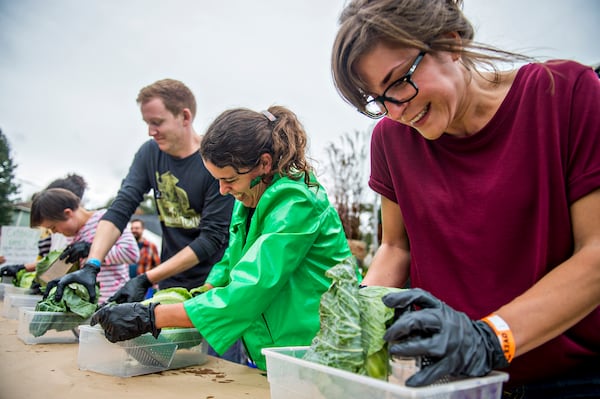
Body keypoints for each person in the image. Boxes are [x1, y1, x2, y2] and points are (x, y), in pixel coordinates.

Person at [331, 1, 599, 397]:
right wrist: (357, 318)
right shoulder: (390, 139)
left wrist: (490, 338)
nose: (396, 110)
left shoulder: (567, 95)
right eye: (377, 99)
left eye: (399, 80)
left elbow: (594, 252)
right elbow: (394, 246)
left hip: (568, 380)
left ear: (450, 43)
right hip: (451, 381)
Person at [90, 105, 353, 371]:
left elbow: (252, 287)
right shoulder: (250, 198)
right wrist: (204, 290)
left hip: (313, 352)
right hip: (273, 353)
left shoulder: (298, 203)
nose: (222, 190)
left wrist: (150, 316)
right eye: (217, 179)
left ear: (264, 163)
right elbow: (233, 260)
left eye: (229, 179)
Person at [45, 79, 233, 304]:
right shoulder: (150, 154)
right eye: (147, 123)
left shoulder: (213, 160)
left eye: (157, 122)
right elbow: (122, 206)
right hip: (170, 282)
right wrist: (93, 264)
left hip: (214, 285)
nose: (150, 131)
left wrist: (144, 279)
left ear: (185, 116)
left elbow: (211, 239)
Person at [30, 188, 139, 304]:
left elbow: (131, 253)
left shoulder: (107, 220)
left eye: (53, 227)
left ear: (68, 213)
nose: (54, 232)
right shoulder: (71, 236)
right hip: (89, 303)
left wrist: (90, 250)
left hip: (114, 300)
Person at [1, 173, 87, 278]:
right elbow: (58, 260)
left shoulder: (75, 229)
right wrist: (23, 268)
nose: (53, 231)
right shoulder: (60, 227)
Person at [128, 218, 160, 296]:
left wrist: (155, 284)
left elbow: (157, 266)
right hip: (128, 285)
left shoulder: (150, 246)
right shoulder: (127, 247)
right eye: (132, 228)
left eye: (137, 228)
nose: (134, 230)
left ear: (143, 229)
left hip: (144, 286)